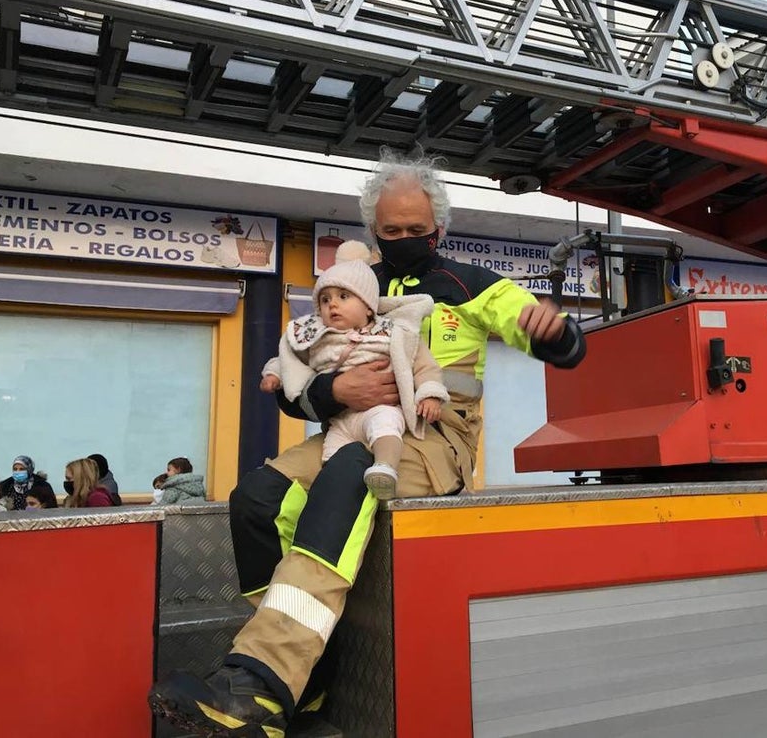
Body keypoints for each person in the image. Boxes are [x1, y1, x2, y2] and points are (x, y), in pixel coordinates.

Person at [150, 149, 586, 735]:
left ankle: (258, 684)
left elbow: (562, 348)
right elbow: (293, 390)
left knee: (351, 472)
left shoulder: (478, 287)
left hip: (434, 436)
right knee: (254, 497)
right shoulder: (349, 290)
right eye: (392, 230)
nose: (405, 239)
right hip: (343, 426)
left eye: (417, 230)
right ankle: (302, 678)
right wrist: (336, 389)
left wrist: (556, 332)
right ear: (372, 232)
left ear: (440, 228)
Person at [259, 239, 448, 499]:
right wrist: (274, 374)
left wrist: (430, 394)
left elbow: (424, 366)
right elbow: (288, 357)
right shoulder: (318, 338)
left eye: (343, 296)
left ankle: (385, 469)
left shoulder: (393, 333)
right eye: (325, 300)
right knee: (333, 456)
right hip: (340, 420)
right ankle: (332, 493)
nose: (332, 305)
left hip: (381, 407)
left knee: (385, 427)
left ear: (369, 307)